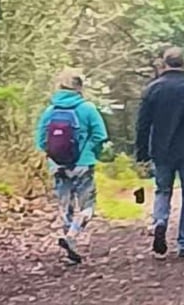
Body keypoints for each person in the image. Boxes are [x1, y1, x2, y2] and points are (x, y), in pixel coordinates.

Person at [134, 46, 184, 259]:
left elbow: (142, 124)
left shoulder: (152, 89)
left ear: (164, 64)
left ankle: (160, 221)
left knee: (163, 190)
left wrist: (141, 153)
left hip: (161, 149)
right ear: (183, 64)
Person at [34, 69, 108, 266]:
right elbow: (100, 136)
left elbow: (40, 141)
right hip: (83, 164)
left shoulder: (49, 111)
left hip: (57, 165)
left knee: (64, 205)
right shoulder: (88, 108)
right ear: (79, 87)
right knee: (87, 206)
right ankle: (72, 236)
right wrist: (91, 153)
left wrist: (55, 156)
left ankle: (69, 239)